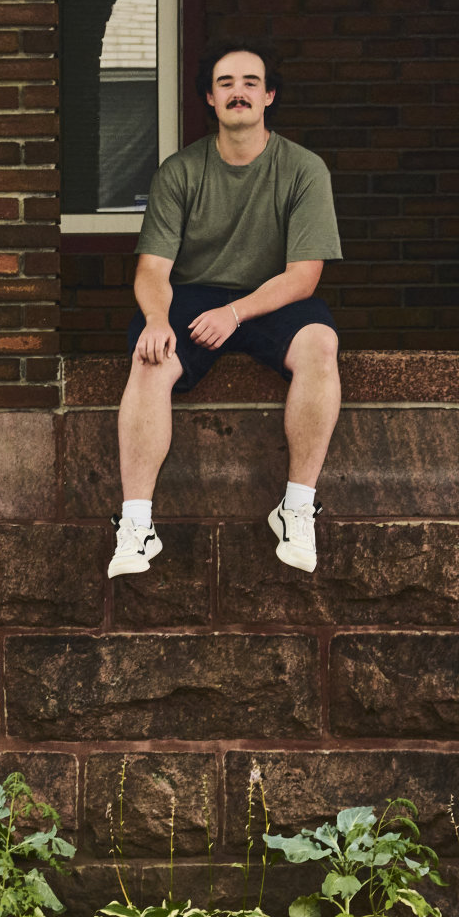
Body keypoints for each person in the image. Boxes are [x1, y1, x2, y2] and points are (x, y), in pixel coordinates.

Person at [107, 42, 341, 578]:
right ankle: (136, 525)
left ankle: (297, 508)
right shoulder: (180, 172)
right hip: (190, 297)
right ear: (210, 98)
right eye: (227, 83)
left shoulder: (304, 169)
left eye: (252, 82)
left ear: (269, 95)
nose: (240, 91)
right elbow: (152, 271)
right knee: (149, 356)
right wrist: (158, 320)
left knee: (321, 344)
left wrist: (234, 314)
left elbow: (304, 276)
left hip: (271, 294)